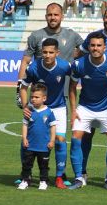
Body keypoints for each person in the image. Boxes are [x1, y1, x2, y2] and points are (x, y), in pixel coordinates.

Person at [67, 32, 107, 190]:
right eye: (92, 45)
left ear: (105, 47)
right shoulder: (79, 64)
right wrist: (73, 111)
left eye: (99, 45)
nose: (95, 48)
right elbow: (72, 88)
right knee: (76, 137)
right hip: (85, 107)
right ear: (88, 46)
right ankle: (79, 177)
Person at [19, 38, 71, 189]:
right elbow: (23, 87)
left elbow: (75, 81)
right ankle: (25, 175)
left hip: (58, 107)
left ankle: (60, 176)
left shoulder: (64, 66)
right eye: (44, 52)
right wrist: (25, 107)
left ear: (57, 53)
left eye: (51, 52)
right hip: (35, 107)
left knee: (60, 141)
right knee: (26, 141)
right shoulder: (33, 67)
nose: (47, 55)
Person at [15, 2, 84, 109]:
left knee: (59, 125)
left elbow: (89, 49)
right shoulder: (36, 36)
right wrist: (19, 90)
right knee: (35, 125)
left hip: (61, 95)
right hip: (38, 96)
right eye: (50, 15)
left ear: (62, 16)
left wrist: (77, 54)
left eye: (56, 15)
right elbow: (25, 61)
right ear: (46, 17)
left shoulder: (72, 35)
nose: (53, 17)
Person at [17, 83, 56, 190]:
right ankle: (25, 180)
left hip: (44, 145)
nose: (33, 99)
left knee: (43, 165)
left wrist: (52, 140)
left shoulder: (49, 112)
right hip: (30, 144)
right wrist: (24, 138)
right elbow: (25, 125)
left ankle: (43, 181)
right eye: (32, 97)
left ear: (44, 98)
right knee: (27, 164)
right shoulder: (29, 111)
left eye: (36, 97)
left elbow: (53, 127)